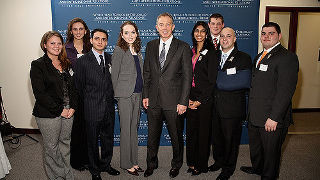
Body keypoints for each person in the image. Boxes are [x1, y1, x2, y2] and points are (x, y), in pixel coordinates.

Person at [240, 22, 299, 180]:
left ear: (279, 36)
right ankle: (258, 168)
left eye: (271, 33)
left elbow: (285, 91)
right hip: (255, 115)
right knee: (257, 149)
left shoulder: (287, 57)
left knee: (271, 154)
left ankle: (268, 176)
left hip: (272, 118)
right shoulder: (260, 56)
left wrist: (274, 117)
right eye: (264, 33)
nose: (266, 36)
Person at [142, 12, 192, 178]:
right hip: (154, 100)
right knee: (152, 136)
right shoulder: (150, 46)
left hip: (174, 101)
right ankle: (151, 164)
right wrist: (145, 95)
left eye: (168, 24)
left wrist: (183, 101)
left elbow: (187, 76)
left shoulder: (183, 47)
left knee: (176, 137)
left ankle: (176, 164)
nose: (164, 27)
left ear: (173, 26)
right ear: (156, 27)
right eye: (161, 24)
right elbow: (147, 73)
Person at [74, 29, 120, 180]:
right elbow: (79, 87)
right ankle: (94, 170)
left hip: (108, 108)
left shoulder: (111, 58)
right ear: (91, 40)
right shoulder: (82, 61)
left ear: (107, 42)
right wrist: (90, 102)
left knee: (108, 139)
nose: (100, 41)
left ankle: (106, 165)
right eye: (97, 38)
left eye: (104, 39)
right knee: (92, 142)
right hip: (92, 109)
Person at [30, 31, 77, 180]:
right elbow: (40, 94)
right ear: (45, 45)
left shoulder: (66, 63)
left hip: (69, 111)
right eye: (52, 43)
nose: (56, 46)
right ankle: (57, 176)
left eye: (59, 43)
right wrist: (60, 110)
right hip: (48, 114)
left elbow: (74, 88)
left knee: (65, 144)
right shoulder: (38, 65)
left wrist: (73, 107)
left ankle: (67, 174)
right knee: (52, 148)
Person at [209, 27, 252, 180]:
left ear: (234, 39)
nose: (225, 39)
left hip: (232, 108)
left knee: (230, 141)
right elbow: (208, 79)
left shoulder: (243, 58)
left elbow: (243, 81)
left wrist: (220, 80)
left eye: (228, 36)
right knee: (217, 139)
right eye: (222, 36)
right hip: (215, 106)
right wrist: (224, 79)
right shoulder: (213, 55)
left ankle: (228, 168)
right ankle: (219, 162)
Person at [186, 21, 219, 176]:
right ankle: (191, 163)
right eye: (196, 31)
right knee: (191, 132)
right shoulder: (190, 51)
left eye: (202, 31)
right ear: (193, 33)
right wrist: (187, 99)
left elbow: (212, 81)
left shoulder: (212, 53)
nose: (199, 34)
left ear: (207, 34)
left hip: (204, 99)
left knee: (203, 134)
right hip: (190, 96)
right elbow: (184, 77)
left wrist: (200, 100)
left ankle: (201, 165)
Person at [111, 21, 144, 176]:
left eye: (133, 32)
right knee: (126, 130)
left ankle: (134, 161)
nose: (130, 35)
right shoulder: (119, 50)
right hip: (124, 96)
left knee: (134, 129)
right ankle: (126, 163)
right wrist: (117, 96)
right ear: (122, 35)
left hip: (138, 94)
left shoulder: (138, 50)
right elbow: (114, 75)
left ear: (136, 33)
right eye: (126, 32)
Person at [65, 17, 91, 171]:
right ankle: (76, 161)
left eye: (81, 29)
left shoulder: (91, 47)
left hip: (90, 93)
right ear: (71, 31)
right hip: (73, 93)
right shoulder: (65, 48)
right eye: (75, 29)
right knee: (76, 128)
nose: (78, 32)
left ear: (85, 31)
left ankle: (89, 158)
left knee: (89, 127)